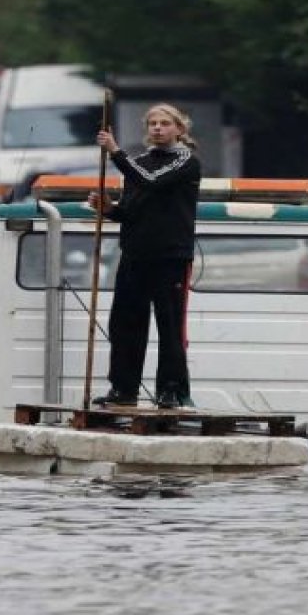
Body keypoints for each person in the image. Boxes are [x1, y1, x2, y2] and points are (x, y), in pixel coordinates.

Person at [87, 103, 202, 409]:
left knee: (169, 325)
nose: (158, 128)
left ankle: (171, 389)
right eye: (153, 123)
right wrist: (109, 209)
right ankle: (123, 388)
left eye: (165, 123)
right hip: (135, 253)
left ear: (179, 128)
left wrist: (114, 152)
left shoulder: (186, 161)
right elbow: (131, 210)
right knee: (125, 323)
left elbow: (152, 182)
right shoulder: (139, 163)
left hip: (170, 256)